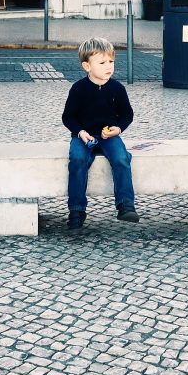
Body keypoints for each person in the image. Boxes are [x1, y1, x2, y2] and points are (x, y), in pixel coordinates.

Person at [62, 37, 137, 230]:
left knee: (121, 158)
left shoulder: (117, 88)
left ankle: (125, 204)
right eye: (102, 62)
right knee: (77, 160)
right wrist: (79, 132)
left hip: (109, 135)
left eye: (111, 61)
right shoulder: (78, 89)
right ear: (87, 66)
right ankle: (77, 210)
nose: (108, 66)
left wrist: (118, 129)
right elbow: (68, 117)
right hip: (85, 135)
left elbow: (127, 114)